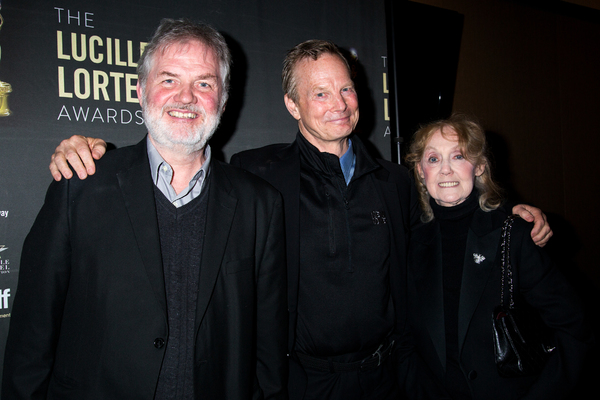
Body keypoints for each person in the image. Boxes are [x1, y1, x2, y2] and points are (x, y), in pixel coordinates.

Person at [45, 41, 553, 399]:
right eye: (320, 93)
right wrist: (92, 149)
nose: (339, 104)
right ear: (292, 104)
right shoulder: (253, 174)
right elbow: (178, 167)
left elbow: (440, 248)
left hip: (387, 380)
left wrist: (505, 216)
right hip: (299, 383)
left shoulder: (397, 182)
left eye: (347, 90)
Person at [2, 19, 287, 400]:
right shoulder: (81, 184)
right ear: (140, 91)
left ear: (221, 99)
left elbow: (268, 346)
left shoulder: (259, 204)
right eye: (169, 80)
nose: (186, 97)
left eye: (203, 83)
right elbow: (31, 335)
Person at [404, 114, 591, 399]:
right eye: (433, 159)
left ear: (478, 166)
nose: (445, 170)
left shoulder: (513, 234)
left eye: (458, 156)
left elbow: (575, 329)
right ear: (420, 170)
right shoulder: (409, 239)